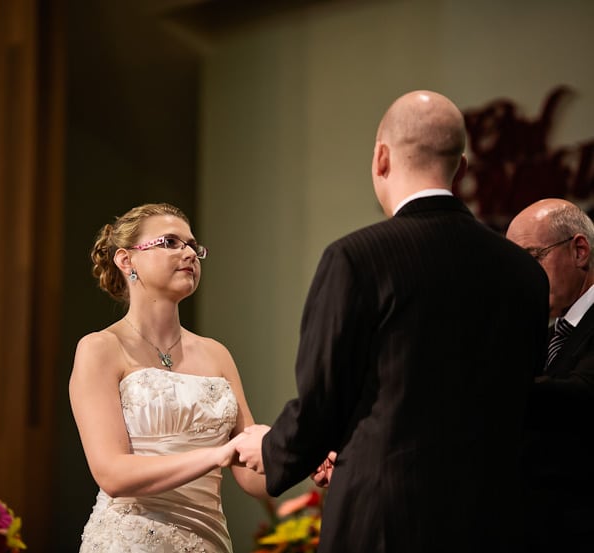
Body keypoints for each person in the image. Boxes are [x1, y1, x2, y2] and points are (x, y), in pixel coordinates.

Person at [235, 90, 549, 553]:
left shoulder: (356, 259)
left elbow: (324, 396)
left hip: (385, 520)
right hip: (494, 522)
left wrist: (271, 449)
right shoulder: (523, 272)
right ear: (460, 169)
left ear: (381, 158)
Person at [71, 202, 266, 552]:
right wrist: (217, 454)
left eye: (192, 245)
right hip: (129, 541)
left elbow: (251, 473)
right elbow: (112, 474)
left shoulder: (217, 354)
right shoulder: (100, 348)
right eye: (170, 243)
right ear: (126, 260)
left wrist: (303, 458)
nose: (189, 253)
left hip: (209, 540)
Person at [506, 198, 594, 552]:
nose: (521, 278)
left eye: (531, 258)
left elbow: (581, 394)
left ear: (579, 250)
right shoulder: (542, 337)